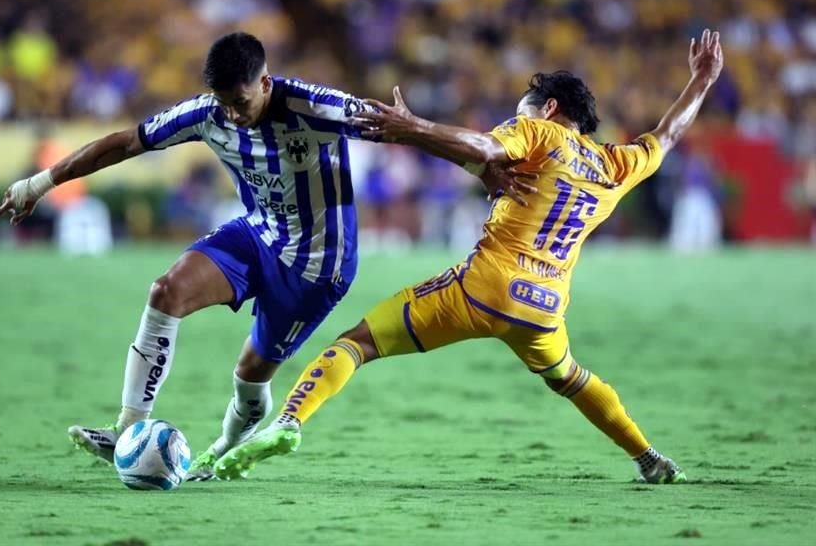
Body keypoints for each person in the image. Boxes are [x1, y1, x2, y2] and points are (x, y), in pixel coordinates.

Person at [0, 30, 536, 480]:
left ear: (265, 82)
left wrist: (479, 165)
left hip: (317, 267)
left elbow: (406, 130)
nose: (234, 115)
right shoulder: (207, 114)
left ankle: (223, 449)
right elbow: (125, 142)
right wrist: (37, 184)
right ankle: (129, 428)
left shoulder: (317, 107)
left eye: (242, 102)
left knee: (250, 376)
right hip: (256, 236)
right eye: (225, 103)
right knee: (165, 291)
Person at [214, 30, 725, 484]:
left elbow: (483, 147)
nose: (515, 121)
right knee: (569, 377)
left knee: (358, 344)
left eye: (522, 110)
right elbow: (668, 134)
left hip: (485, 286)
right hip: (544, 306)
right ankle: (648, 456)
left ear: (548, 109)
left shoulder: (540, 132)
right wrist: (701, 80)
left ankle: (288, 423)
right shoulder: (617, 164)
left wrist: (411, 126)